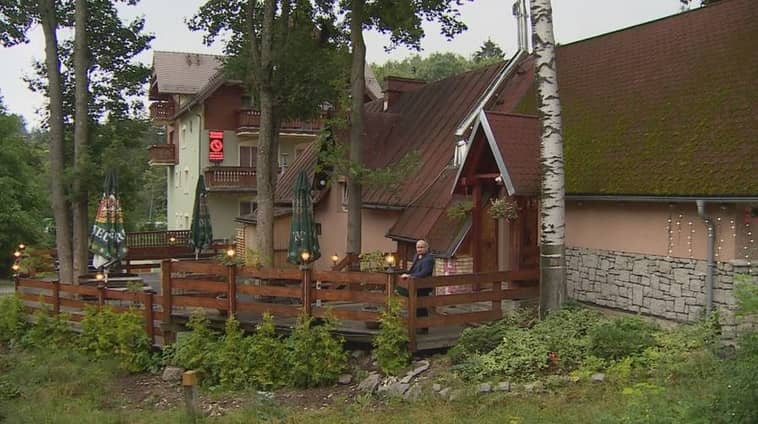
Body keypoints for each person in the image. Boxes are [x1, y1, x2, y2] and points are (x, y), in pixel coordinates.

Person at [399, 239, 435, 333]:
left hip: (423, 285)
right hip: (414, 284)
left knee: (421, 306)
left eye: (421, 247)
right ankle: (416, 326)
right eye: (418, 247)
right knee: (415, 305)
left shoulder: (429, 259)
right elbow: (412, 269)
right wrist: (406, 274)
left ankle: (423, 328)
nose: (419, 249)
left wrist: (410, 276)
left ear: (426, 248)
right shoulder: (416, 256)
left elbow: (424, 272)